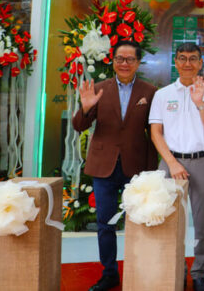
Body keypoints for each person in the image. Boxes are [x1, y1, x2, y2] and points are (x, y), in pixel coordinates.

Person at [72, 40, 158, 291]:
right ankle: (109, 273)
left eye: (130, 59)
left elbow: (154, 132)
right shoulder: (98, 89)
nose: (124, 63)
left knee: (141, 222)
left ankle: (139, 270)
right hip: (104, 166)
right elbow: (79, 126)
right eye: (120, 58)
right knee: (105, 223)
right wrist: (86, 109)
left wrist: (154, 170)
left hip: (137, 166)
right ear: (113, 60)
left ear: (138, 63)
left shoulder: (150, 92)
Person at [149, 43, 204, 291]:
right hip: (170, 162)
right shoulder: (162, 94)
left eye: (193, 59)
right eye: (182, 58)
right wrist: (171, 163)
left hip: (201, 161)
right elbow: (156, 132)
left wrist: (199, 103)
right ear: (175, 62)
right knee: (168, 219)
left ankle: (199, 274)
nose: (187, 63)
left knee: (202, 221)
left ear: (201, 63)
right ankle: (174, 269)